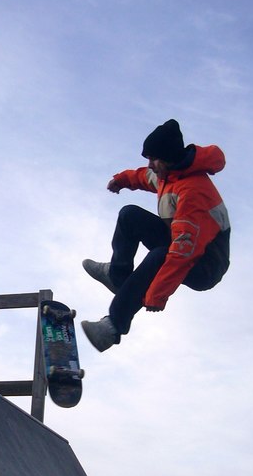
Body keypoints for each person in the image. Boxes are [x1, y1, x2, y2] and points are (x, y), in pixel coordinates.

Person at [81, 119, 230, 352]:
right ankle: (117, 276)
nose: (150, 165)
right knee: (129, 215)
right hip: (182, 242)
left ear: (169, 158)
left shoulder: (192, 194)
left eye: (153, 159)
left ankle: (112, 327)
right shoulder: (166, 174)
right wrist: (121, 180)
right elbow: (143, 177)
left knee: (161, 256)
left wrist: (156, 295)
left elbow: (182, 253)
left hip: (206, 264)